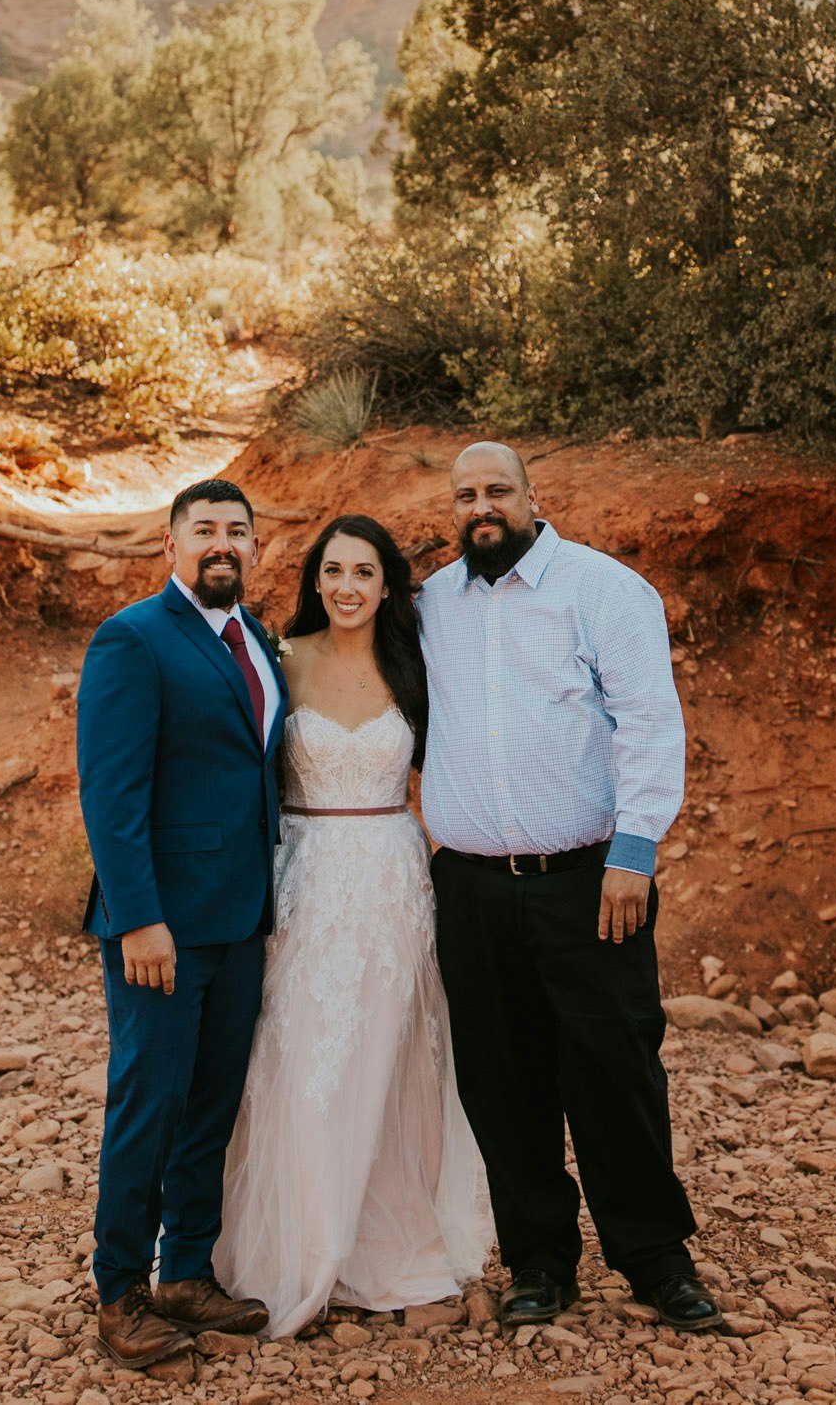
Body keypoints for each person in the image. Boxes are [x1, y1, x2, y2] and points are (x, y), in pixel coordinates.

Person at [419, 442, 719, 1334]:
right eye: (466, 494)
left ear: (531, 495)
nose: (482, 507)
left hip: (589, 879)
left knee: (615, 1068)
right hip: (470, 888)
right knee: (501, 1081)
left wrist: (635, 852)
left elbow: (649, 722)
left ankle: (656, 1260)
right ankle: (539, 1262)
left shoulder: (604, 590)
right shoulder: (432, 605)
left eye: (497, 490)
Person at [215, 514, 490, 1336]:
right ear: (314, 580)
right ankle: (300, 1246)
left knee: (386, 1058)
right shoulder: (280, 659)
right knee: (299, 1057)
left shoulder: (416, 666)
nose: (346, 587)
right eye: (333, 570)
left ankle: (382, 1243)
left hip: (391, 883)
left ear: (387, 585)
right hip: (304, 879)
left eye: (364, 572)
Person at [76, 478, 286, 1372]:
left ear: (254, 547)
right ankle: (119, 1291)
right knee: (149, 1104)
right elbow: (110, 793)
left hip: (241, 917)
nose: (222, 544)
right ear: (171, 545)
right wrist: (138, 919)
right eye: (204, 530)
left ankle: (187, 1273)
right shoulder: (132, 638)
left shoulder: (256, 639)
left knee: (211, 1105)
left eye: (237, 530)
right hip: (162, 925)